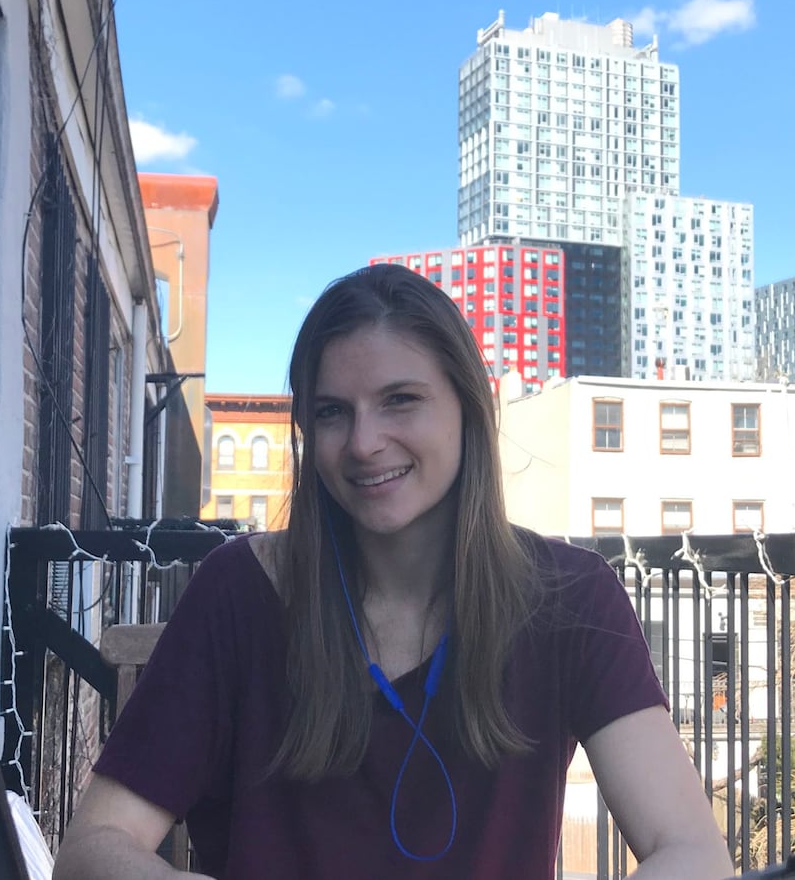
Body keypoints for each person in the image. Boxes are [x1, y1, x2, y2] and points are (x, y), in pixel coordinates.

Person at [52, 264, 731, 879]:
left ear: (468, 409)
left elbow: (693, 851)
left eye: (400, 400)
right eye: (331, 413)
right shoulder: (238, 593)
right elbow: (91, 850)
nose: (364, 442)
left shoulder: (571, 597)